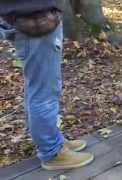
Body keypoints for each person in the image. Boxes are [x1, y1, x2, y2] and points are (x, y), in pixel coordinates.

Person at [0, 0, 94, 170]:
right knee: (44, 93)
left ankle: (50, 140)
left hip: (28, 16)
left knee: (37, 88)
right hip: (34, 18)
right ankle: (52, 152)